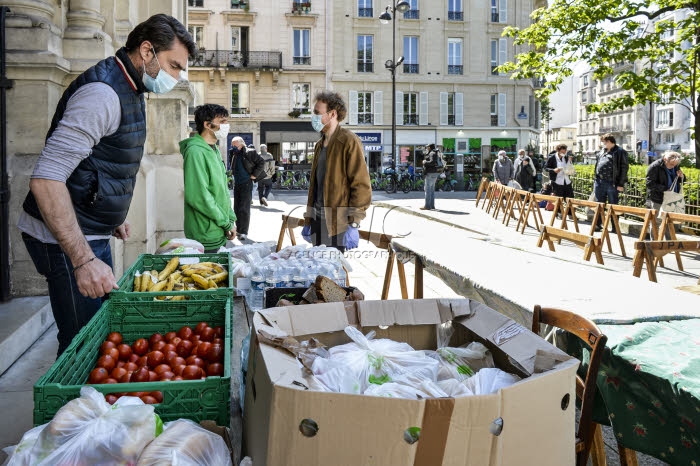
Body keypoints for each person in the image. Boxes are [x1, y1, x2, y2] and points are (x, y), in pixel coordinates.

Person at [17, 14, 195, 356]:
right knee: (84, 345)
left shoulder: (131, 86)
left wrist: (108, 213)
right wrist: (84, 262)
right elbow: (47, 179)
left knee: (99, 335)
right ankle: (71, 408)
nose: (176, 77)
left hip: (91, 229)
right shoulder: (102, 94)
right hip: (64, 241)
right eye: (174, 65)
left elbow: (101, 162)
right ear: (146, 51)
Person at [301, 91, 371, 252]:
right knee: (317, 271)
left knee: (334, 274)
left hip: (337, 225)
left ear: (332, 113)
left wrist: (354, 223)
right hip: (317, 221)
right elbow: (315, 187)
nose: (314, 117)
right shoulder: (320, 145)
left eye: (317, 113)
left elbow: (361, 186)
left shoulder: (349, 141)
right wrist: (308, 220)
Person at [180, 104, 236, 252]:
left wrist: (231, 219)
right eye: (222, 121)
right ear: (207, 124)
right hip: (204, 233)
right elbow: (198, 196)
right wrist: (226, 223)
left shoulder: (214, 149)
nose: (226, 125)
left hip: (219, 230)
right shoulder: (195, 151)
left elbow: (221, 190)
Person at [229, 136, 265, 241]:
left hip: (246, 183)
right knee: (236, 208)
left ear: (241, 144)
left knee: (244, 208)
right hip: (237, 183)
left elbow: (261, 163)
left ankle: (244, 232)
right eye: (232, 145)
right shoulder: (233, 153)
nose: (232, 147)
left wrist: (254, 175)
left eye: (234, 145)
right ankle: (239, 229)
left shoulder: (250, 152)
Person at [593, 133, 629, 231]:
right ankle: (597, 224)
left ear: (609, 141)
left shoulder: (620, 152)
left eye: (604, 142)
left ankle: (615, 227)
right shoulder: (602, 151)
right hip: (599, 181)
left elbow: (624, 168)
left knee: (613, 205)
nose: (603, 144)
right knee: (599, 204)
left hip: (612, 182)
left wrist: (620, 184)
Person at [420, 144, 442, 210]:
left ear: (430, 147)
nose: (427, 148)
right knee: (432, 190)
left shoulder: (432, 153)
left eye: (427, 147)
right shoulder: (436, 153)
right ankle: (432, 206)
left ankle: (427, 206)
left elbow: (432, 162)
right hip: (435, 173)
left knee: (427, 190)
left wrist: (425, 162)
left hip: (430, 173)